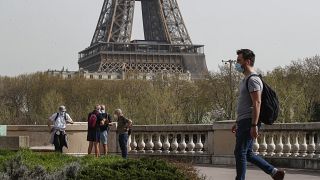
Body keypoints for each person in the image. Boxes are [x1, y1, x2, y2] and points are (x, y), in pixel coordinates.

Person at [232, 49, 285, 180]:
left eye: (239, 60)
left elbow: (257, 102)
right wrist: (237, 121)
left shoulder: (253, 79)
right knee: (248, 153)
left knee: (240, 152)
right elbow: (246, 103)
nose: (237, 64)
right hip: (244, 121)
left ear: (248, 61)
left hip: (249, 121)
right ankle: (274, 172)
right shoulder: (245, 80)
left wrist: (254, 125)